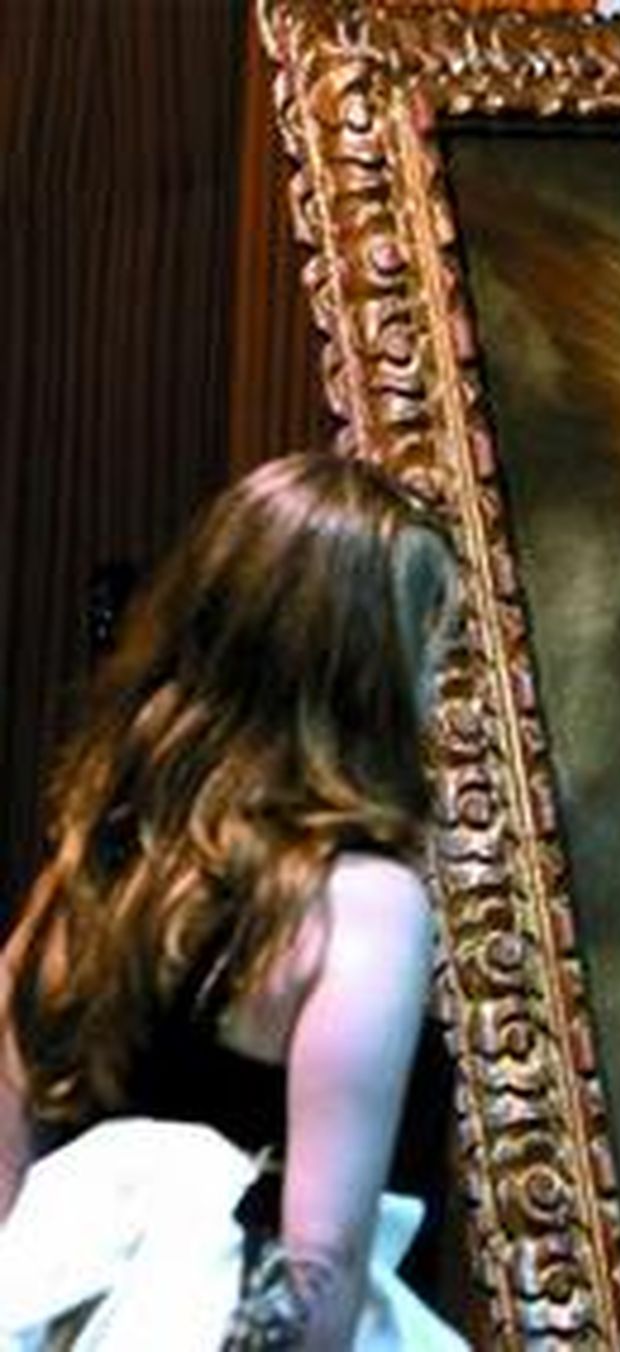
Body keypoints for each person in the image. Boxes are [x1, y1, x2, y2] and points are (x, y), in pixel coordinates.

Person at [0, 453, 467, 1350]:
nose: (437, 688)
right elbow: (319, 1267)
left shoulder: (93, 866)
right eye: (430, 647)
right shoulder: (365, 904)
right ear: (365, 670)